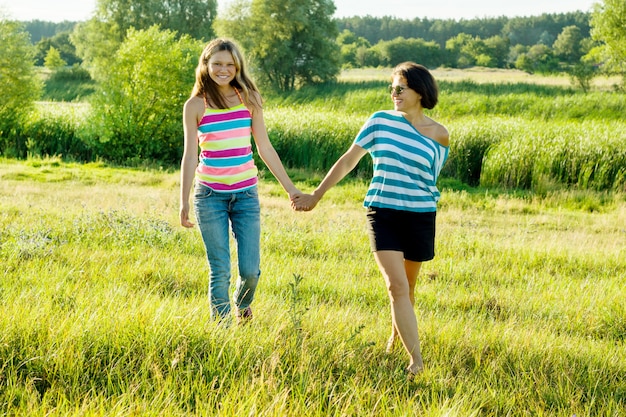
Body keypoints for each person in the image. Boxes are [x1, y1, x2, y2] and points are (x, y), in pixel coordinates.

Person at [292, 62, 449, 377]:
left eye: (400, 88)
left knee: (408, 288)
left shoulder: (440, 134)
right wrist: (316, 195)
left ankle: (396, 336)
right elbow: (349, 160)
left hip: (420, 215)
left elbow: (430, 179)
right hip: (383, 213)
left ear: (420, 91)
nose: (394, 93)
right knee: (396, 286)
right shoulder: (379, 121)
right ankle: (416, 362)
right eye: (392, 88)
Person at [180, 38, 301, 322]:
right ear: (206, 65)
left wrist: (291, 189)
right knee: (219, 268)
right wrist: (183, 200)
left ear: (238, 67)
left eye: (230, 65)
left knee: (249, 270)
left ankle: (242, 303)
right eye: (217, 64)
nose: (224, 69)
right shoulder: (196, 105)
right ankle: (220, 331)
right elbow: (190, 155)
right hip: (209, 196)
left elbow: (265, 148)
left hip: (246, 194)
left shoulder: (250, 99)